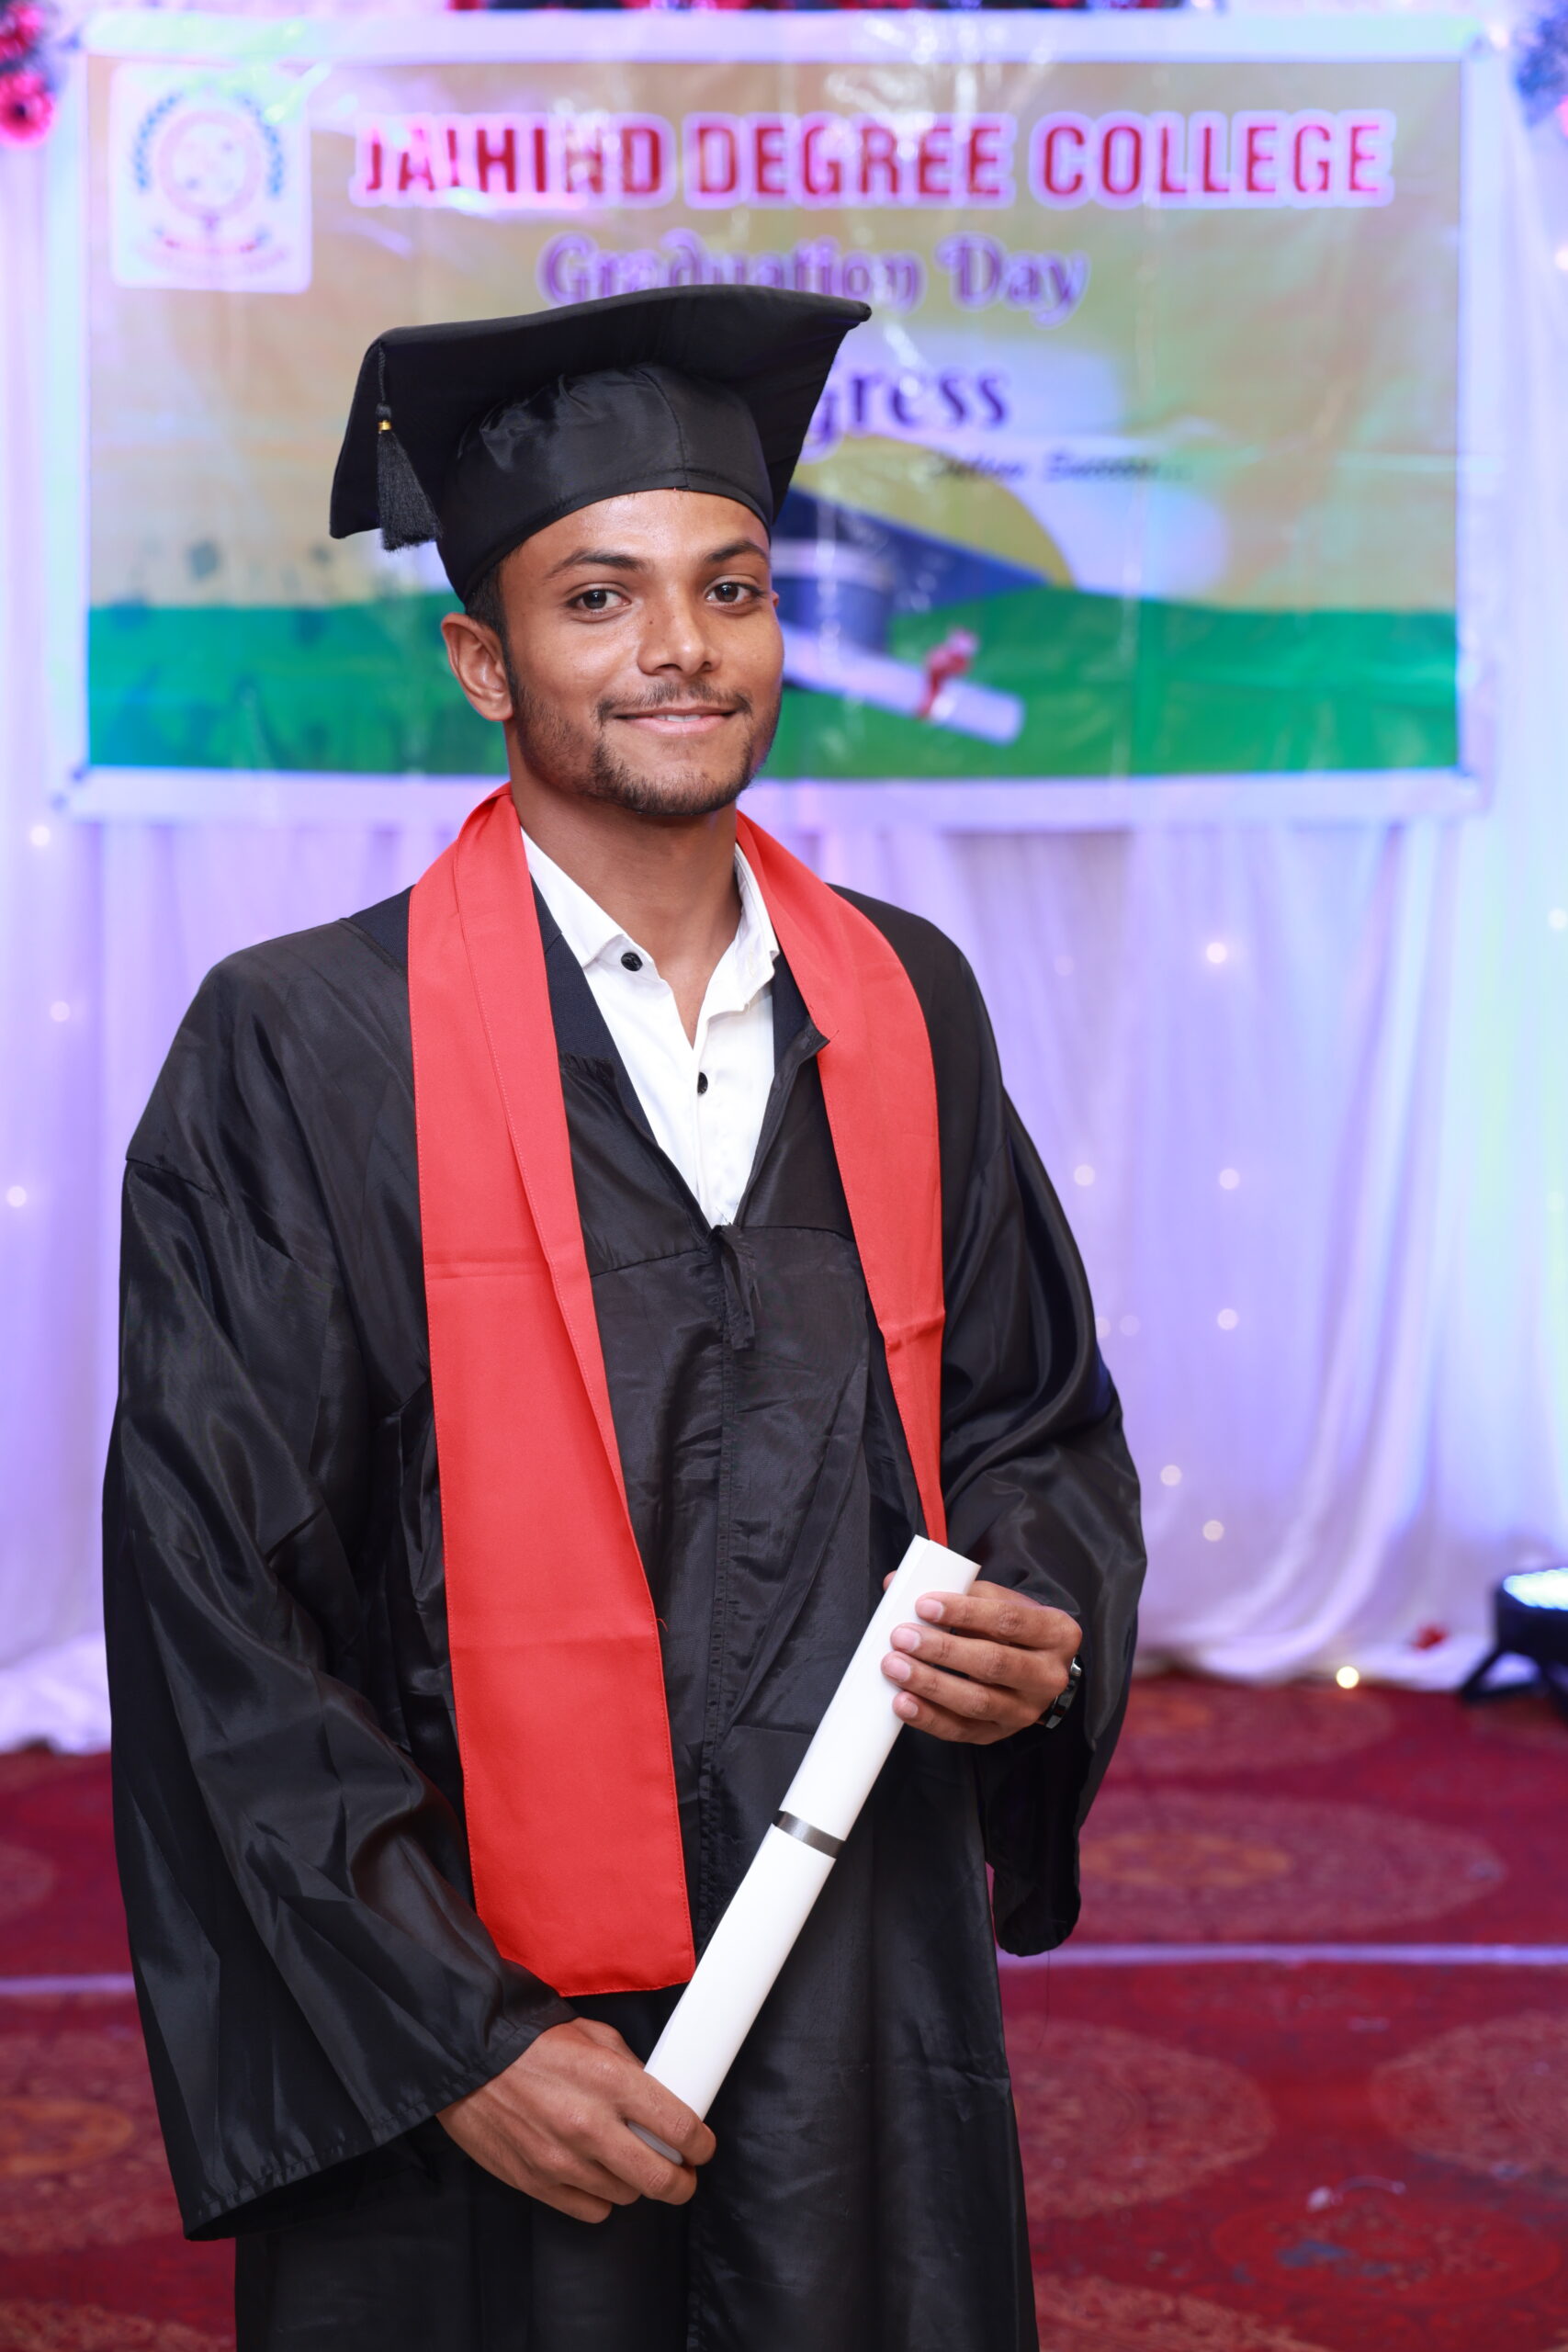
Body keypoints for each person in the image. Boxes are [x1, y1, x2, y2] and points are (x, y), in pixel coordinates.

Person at [105, 285, 1145, 2352]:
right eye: (599, 597)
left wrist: (1033, 1615)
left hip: (847, 1965)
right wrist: (453, 2032)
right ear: (484, 661)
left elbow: (1029, 1420)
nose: (681, 646)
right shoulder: (302, 1046)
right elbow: (219, 1603)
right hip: (482, 1999)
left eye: (729, 587)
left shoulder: (902, 1001)